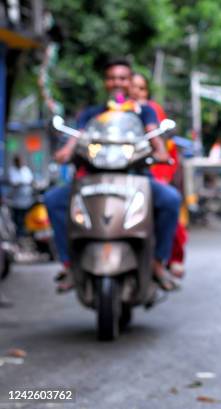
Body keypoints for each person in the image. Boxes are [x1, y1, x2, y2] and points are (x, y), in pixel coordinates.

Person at [45, 58, 181, 292]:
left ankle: (158, 262)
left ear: (130, 82)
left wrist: (159, 151)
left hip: (136, 177)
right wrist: (66, 152)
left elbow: (153, 134)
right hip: (93, 178)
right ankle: (68, 263)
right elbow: (76, 137)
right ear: (105, 82)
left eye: (122, 78)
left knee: (170, 199)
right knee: (53, 200)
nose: (117, 82)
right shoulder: (92, 113)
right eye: (111, 78)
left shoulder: (143, 111)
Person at [130, 72, 187, 278]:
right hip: (121, 172)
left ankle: (167, 259)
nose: (136, 91)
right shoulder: (117, 110)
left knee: (170, 204)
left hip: (150, 172)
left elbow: (164, 148)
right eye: (132, 86)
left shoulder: (152, 111)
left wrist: (161, 175)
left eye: (141, 88)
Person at [8, 156, 34, 238]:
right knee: (18, 219)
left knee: (25, 218)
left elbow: (31, 180)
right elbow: (14, 182)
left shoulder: (26, 170)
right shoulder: (12, 170)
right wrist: (21, 183)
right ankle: (19, 236)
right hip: (17, 200)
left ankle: (25, 235)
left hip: (27, 199)